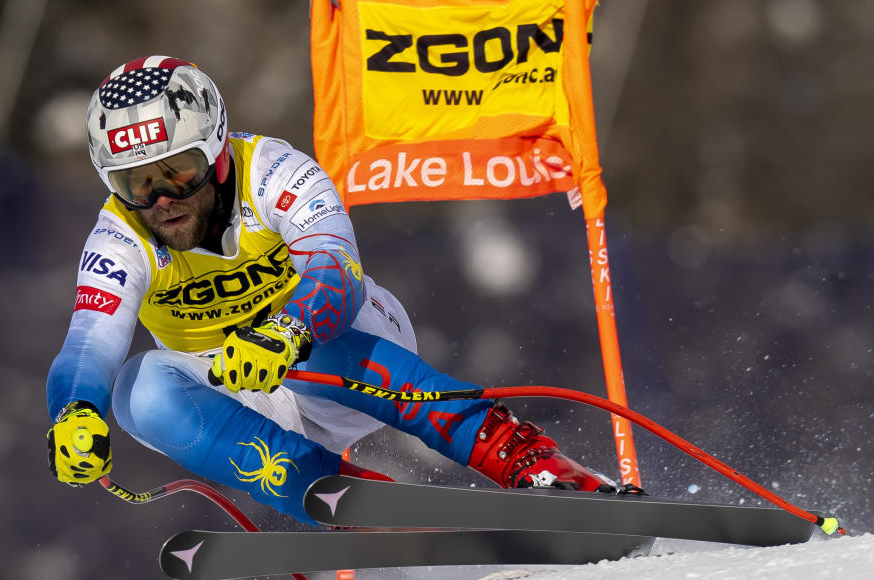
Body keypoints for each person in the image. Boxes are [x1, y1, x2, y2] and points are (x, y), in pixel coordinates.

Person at [46, 56, 621, 524]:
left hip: (343, 344)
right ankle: (341, 497)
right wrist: (74, 413)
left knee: (307, 348)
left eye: (179, 172)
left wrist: (285, 331)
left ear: (219, 153)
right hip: (245, 395)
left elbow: (334, 269)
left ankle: (526, 459)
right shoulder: (119, 235)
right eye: (136, 184)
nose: (162, 199)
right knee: (134, 391)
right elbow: (88, 343)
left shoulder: (273, 172)